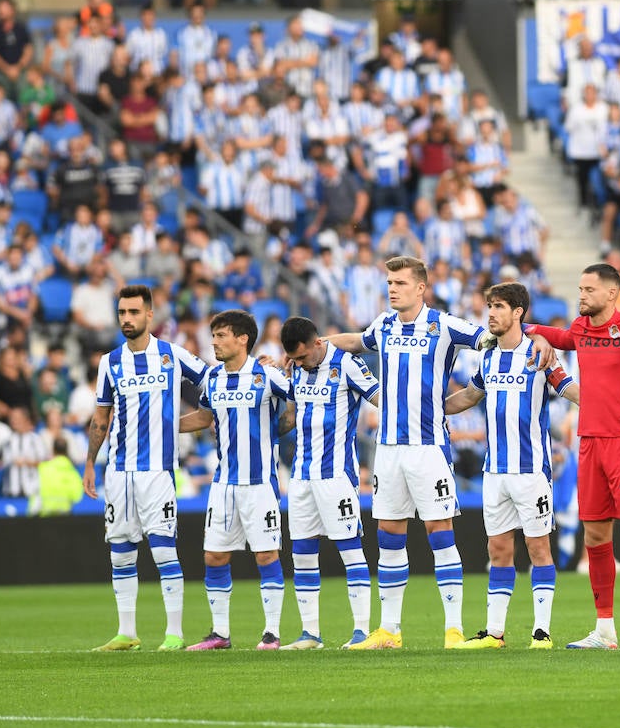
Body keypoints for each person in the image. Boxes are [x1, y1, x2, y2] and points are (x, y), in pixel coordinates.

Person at [324, 255, 505, 649]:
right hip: (388, 450)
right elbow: (358, 341)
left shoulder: (444, 325)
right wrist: (320, 345)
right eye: (389, 282)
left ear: (420, 288)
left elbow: (490, 338)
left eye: (400, 282)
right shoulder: (384, 325)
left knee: (439, 532)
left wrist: (536, 337)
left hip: (428, 448)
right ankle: (389, 631)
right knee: (389, 533)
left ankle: (453, 631)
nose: (392, 288)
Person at [526, 263, 620, 650]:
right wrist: (535, 334)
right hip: (588, 443)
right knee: (595, 534)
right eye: (579, 288)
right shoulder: (579, 329)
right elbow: (555, 335)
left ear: (611, 293)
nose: (581, 295)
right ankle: (605, 630)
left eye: (588, 290)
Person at [442, 283, 579, 649]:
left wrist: (607, 402)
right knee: (498, 550)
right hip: (495, 472)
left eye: (499, 306)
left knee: (538, 550)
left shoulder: (539, 354)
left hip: (531, 469)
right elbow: (469, 396)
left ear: (518, 312)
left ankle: (542, 631)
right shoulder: (486, 358)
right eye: (489, 306)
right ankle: (495, 633)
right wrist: (431, 408)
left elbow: (568, 389)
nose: (491, 313)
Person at [85, 284, 209, 652]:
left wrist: (180, 423)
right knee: (120, 550)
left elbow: (214, 386)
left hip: (157, 471)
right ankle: (127, 632)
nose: (127, 319)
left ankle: (174, 633)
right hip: (118, 471)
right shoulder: (110, 362)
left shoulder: (173, 356)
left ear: (149, 315)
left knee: (163, 549)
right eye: (122, 312)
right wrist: (90, 463)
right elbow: (100, 418)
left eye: (133, 312)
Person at [173, 311, 289, 651]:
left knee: (266, 555)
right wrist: (165, 425)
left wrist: (286, 371)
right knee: (214, 556)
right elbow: (204, 417)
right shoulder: (212, 379)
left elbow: (298, 398)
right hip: (223, 484)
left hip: (260, 483)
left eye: (221, 335)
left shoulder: (267, 376)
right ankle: (220, 633)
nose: (214, 342)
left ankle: (271, 633)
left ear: (242, 339)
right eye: (213, 335)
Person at [276, 316, 381, 651]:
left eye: (304, 357)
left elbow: (381, 398)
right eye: (295, 358)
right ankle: (310, 634)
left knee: (350, 550)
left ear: (318, 343)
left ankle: (362, 631)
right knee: (303, 553)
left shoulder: (348, 365)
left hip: (337, 475)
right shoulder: (295, 368)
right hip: (301, 476)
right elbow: (291, 416)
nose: (300, 363)